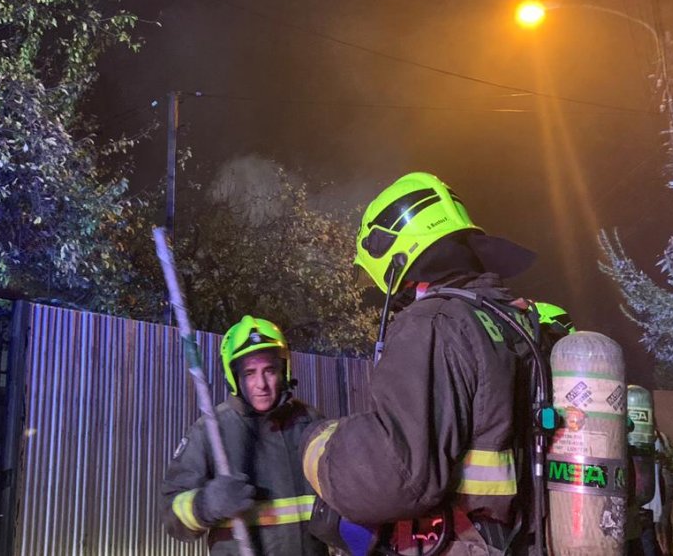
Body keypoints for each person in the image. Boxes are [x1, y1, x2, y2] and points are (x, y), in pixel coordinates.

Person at [301, 171, 541, 555]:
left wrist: (317, 447)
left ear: (392, 252)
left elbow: (397, 475)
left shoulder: (432, 323)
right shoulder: (513, 319)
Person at [162, 315, 328, 555]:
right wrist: (204, 505)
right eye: (250, 373)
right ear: (235, 377)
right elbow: (171, 515)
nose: (261, 384)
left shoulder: (310, 422)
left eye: (269, 370)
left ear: (283, 370)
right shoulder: (210, 431)